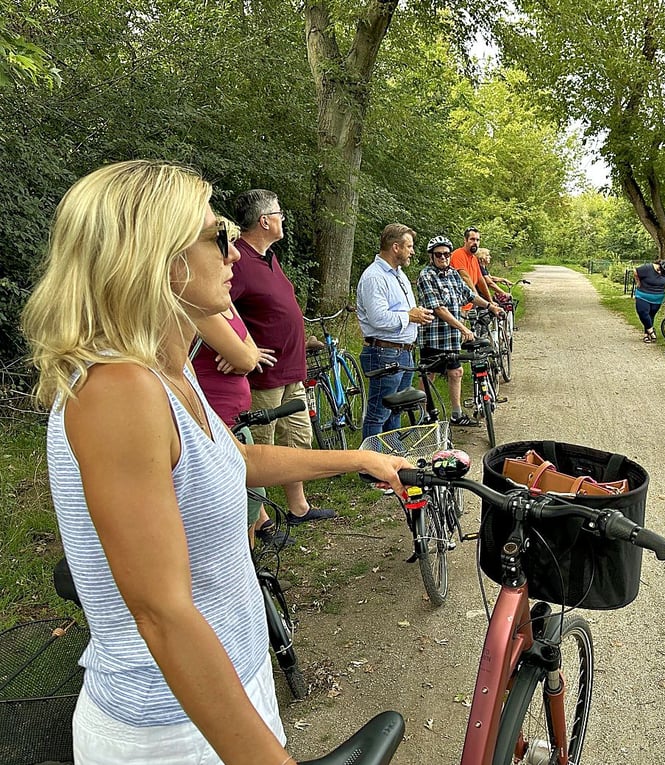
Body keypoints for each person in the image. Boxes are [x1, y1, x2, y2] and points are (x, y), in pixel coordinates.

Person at [20, 160, 410, 764]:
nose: (233, 252)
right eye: (217, 236)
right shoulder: (117, 391)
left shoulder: (170, 373)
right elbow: (161, 611)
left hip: (229, 683)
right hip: (171, 725)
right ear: (159, 259)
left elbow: (228, 461)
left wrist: (355, 458)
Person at [230, 189, 333, 527]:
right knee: (263, 447)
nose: (282, 218)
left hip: (292, 370)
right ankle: (259, 519)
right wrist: (240, 348)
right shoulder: (239, 260)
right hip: (264, 376)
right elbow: (216, 310)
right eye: (279, 213)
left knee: (297, 439)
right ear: (264, 221)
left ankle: (298, 507)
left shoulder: (268, 257)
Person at [191, 284, 282, 548]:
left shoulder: (223, 298)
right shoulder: (199, 305)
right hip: (215, 421)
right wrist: (246, 355)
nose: (232, 256)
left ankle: (250, 570)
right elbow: (244, 359)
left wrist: (247, 353)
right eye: (219, 244)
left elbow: (250, 348)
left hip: (238, 419)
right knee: (242, 503)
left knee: (252, 499)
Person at [357, 223, 434, 439]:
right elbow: (378, 318)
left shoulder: (398, 274)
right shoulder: (374, 277)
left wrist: (418, 315)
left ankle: (394, 462)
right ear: (396, 247)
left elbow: (402, 310)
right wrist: (410, 316)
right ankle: (371, 468)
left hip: (403, 352)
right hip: (384, 353)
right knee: (378, 414)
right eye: (409, 246)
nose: (413, 251)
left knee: (396, 412)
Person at [416, 236, 504, 427]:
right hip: (433, 337)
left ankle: (456, 414)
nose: (443, 258)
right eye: (438, 254)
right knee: (428, 375)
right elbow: (438, 308)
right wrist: (463, 328)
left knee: (456, 372)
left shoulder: (454, 274)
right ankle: (423, 415)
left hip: (452, 338)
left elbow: (470, 295)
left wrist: (491, 306)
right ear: (431, 256)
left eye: (446, 254)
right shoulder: (426, 276)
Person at [450, 227, 493, 310]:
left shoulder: (474, 258)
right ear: (465, 240)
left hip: (469, 304)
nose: (475, 243)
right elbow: (466, 278)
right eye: (472, 239)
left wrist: (490, 301)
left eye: (477, 240)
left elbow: (480, 280)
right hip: (458, 305)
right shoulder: (458, 254)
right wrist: (478, 299)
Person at [634, 259, 665, 343]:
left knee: (651, 315)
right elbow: (635, 271)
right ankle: (651, 331)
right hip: (643, 294)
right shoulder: (648, 267)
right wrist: (638, 282)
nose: (661, 274)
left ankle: (646, 334)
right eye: (660, 271)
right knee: (643, 312)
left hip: (658, 297)